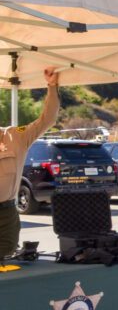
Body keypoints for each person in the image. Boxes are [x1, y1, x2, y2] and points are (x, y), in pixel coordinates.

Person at [0, 66, 59, 257]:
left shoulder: (15, 136)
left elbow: (47, 120)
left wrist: (51, 86)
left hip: (6, 211)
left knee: (7, 250)